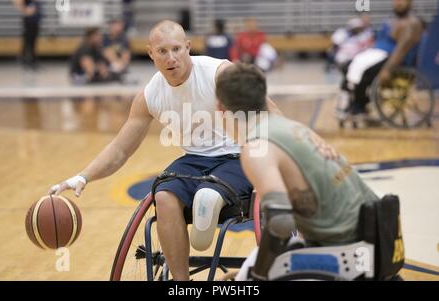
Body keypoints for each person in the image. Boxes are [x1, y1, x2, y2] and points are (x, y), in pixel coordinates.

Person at [48, 20, 282, 281]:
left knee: (207, 195)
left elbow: (271, 112)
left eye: (176, 49)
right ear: (150, 53)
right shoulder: (150, 95)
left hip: (238, 155)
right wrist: (83, 176)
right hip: (194, 160)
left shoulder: (219, 73)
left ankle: (209, 203)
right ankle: (181, 283)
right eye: (162, 52)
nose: (171, 58)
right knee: (164, 196)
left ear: (188, 47)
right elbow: (120, 149)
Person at [215, 63, 380, 279]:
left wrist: (260, 275)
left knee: (245, 277)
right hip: (379, 238)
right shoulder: (292, 127)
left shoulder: (257, 147)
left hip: (351, 255)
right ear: (264, 97)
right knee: (244, 271)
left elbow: (281, 222)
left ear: (220, 108)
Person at [339, 0, 423, 118]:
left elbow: (401, 50)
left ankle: (359, 105)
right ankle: (357, 100)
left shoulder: (412, 23)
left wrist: (387, 69)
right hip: (377, 54)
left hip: (391, 60)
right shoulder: (393, 21)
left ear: (411, 2)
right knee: (346, 66)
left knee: (365, 73)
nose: (398, 2)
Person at [13, 0, 41, 70]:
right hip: (29, 21)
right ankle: (25, 61)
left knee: (33, 41)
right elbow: (16, 1)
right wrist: (25, 10)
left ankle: (33, 61)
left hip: (35, 21)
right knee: (28, 41)